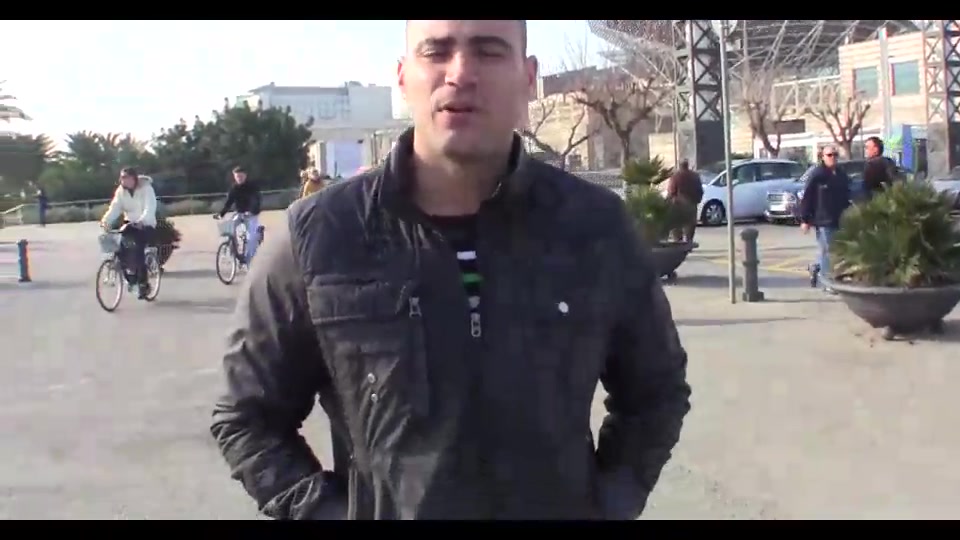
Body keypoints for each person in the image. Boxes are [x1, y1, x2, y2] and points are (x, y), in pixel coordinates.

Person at [210, 20, 691, 521]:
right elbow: (246, 417)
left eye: (489, 51)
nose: (460, 73)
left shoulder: (594, 227)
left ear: (528, 78)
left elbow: (656, 392)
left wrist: (606, 505)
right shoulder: (320, 235)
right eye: (436, 51)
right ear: (403, 77)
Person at [100, 168, 158, 299]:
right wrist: (105, 221)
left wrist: (142, 221)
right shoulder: (121, 192)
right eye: (122, 178)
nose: (124, 181)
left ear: (134, 178)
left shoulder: (146, 189)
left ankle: (143, 284)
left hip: (146, 224)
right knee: (120, 249)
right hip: (129, 224)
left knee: (137, 250)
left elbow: (150, 208)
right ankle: (130, 278)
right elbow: (114, 208)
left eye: (127, 178)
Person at [800, 145, 851, 292]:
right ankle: (828, 283)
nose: (833, 158)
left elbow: (846, 194)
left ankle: (816, 268)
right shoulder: (818, 174)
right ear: (822, 157)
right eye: (829, 155)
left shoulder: (841, 174)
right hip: (823, 219)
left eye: (835, 155)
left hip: (839, 218)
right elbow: (808, 197)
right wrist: (805, 219)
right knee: (828, 251)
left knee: (835, 251)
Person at [216, 166, 262, 264]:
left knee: (251, 238)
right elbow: (229, 202)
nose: (239, 178)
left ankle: (248, 260)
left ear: (245, 176)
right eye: (237, 177)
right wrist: (221, 214)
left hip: (251, 214)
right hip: (239, 213)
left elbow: (256, 200)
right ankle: (233, 248)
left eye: (241, 176)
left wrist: (251, 211)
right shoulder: (234, 188)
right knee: (229, 229)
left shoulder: (252, 187)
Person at [665, 159, 704, 243]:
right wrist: (697, 201)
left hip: (678, 205)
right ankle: (689, 242)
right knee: (690, 227)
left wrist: (669, 201)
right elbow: (700, 191)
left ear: (679, 165)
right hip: (691, 204)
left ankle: (678, 242)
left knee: (676, 226)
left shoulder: (675, 176)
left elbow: (671, 191)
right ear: (687, 165)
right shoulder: (695, 176)